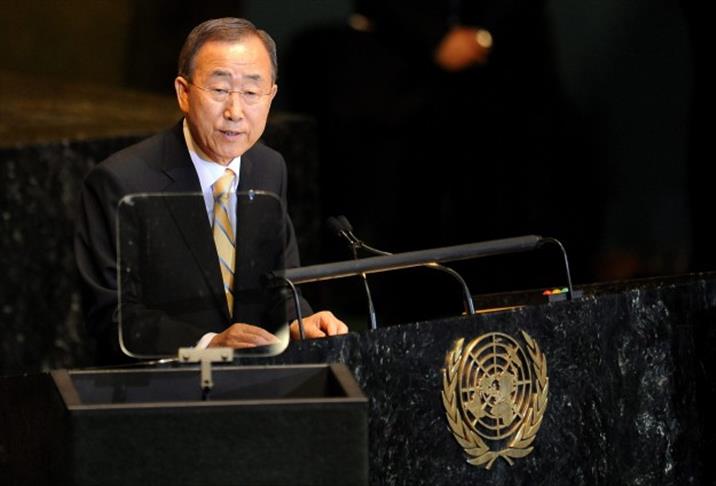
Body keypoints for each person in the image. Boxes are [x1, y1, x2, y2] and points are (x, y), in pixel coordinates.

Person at [74, 17, 348, 362]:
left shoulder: (268, 167)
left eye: (251, 92)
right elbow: (111, 315)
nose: (235, 111)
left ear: (271, 97)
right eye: (219, 90)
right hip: (163, 384)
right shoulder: (120, 181)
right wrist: (208, 345)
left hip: (257, 381)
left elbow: (278, 284)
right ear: (184, 93)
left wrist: (299, 321)